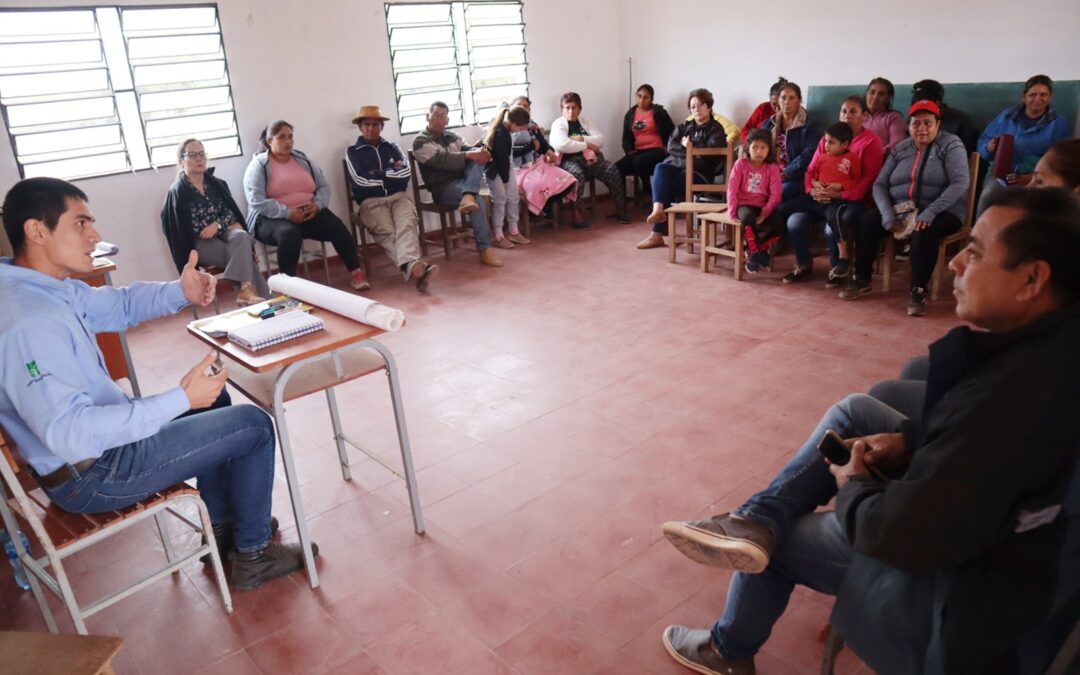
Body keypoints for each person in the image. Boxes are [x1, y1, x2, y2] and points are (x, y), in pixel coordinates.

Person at [659, 186, 1080, 675]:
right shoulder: (1049, 353)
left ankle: (728, 649)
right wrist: (910, 441)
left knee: (775, 549)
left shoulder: (1009, 401)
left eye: (978, 251)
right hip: (985, 526)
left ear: (1032, 278)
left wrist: (853, 486)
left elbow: (899, 534)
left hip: (959, 582)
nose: (958, 263)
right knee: (855, 411)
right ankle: (755, 519)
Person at [0, 177, 314, 592]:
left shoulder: (43, 287)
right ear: (36, 231)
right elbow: (69, 433)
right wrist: (177, 400)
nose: (94, 235)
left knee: (215, 397)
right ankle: (253, 554)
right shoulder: (29, 320)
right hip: (93, 475)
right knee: (254, 427)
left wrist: (179, 291)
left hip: (100, 452)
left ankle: (222, 532)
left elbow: (122, 304)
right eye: (80, 224)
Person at [839, 100, 969, 317]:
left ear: (938, 124)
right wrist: (887, 213)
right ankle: (862, 278)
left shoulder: (951, 144)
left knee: (923, 229)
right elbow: (880, 184)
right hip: (902, 209)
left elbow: (960, 183)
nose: (922, 129)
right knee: (869, 220)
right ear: (909, 126)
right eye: (916, 124)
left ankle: (918, 290)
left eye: (928, 123)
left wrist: (930, 212)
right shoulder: (901, 148)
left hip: (943, 211)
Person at [243, 120, 368, 290]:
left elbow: (323, 186)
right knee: (289, 233)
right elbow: (256, 201)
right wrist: (287, 213)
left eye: (290, 137)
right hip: (270, 219)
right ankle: (288, 286)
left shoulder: (302, 159)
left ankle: (356, 272)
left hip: (307, 212)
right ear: (269, 141)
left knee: (335, 225)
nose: (288, 142)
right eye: (282, 138)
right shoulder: (259, 165)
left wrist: (317, 205)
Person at [782, 97, 884, 285]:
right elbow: (811, 170)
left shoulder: (871, 142)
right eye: (843, 111)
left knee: (831, 229)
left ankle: (838, 270)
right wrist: (811, 189)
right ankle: (803, 265)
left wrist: (841, 194)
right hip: (821, 197)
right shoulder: (827, 139)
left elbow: (868, 179)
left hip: (853, 201)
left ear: (864, 116)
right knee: (794, 221)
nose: (847, 116)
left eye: (853, 111)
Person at [160, 139, 269, 306]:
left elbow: (231, 213)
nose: (199, 158)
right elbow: (188, 229)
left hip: (223, 233)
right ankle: (261, 298)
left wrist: (217, 225)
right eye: (193, 155)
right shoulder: (178, 192)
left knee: (241, 235)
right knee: (241, 252)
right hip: (199, 243)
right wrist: (225, 224)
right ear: (182, 161)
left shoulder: (216, 184)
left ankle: (247, 292)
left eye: (202, 154)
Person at [345, 105, 438, 292]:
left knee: (407, 223)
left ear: (382, 126)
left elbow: (405, 173)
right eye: (366, 125)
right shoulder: (352, 152)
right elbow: (360, 181)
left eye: (374, 124)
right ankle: (415, 267)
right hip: (371, 202)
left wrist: (377, 173)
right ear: (360, 128)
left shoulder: (393, 147)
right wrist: (389, 175)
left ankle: (412, 268)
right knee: (388, 233)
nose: (370, 129)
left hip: (399, 197)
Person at [411, 101, 503, 267]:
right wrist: (469, 155)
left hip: (464, 181)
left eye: (443, 116)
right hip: (443, 188)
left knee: (478, 158)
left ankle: (468, 195)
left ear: (447, 120)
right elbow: (442, 161)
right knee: (478, 201)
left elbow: (467, 151)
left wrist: (480, 153)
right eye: (436, 115)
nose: (439, 119)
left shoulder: (452, 136)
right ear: (427, 117)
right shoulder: (420, 141)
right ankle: (485, 249)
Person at [636, 88, 727, 250]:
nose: (696, 109)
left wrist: (689, 147)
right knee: (661, 168)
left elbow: (711, 154)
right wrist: (690, 152)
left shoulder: (716, 129)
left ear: (709, 106)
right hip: (678, 168)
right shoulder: (685, 126)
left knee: (666, 182)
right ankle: (658, 210)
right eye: (692, 107)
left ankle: (658, 232)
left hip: (700, 174)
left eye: (700, 105)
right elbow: (671, 146)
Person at [976, 75, 1071, 214]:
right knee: (989, 196)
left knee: (1031, 208)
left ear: (1050, 97)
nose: (1038, 99)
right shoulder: (1006, 116)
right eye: (1032, 94)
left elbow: (1058, 158)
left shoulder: (1057, 123)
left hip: (1036, 176)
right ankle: (981, 234)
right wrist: (989, 147)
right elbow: (982, 143)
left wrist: (1030, 177)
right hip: (1000, 174)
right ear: (1024, 97)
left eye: (1043, 94)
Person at [550, 92, 630, 227]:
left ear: (580, 109)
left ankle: (620, 208)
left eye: (574, 107)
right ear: (562, 110)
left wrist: (580, 138)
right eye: (567, 107)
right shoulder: (558, 124)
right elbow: (561, 145)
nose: (571, 111)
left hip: (590, 159)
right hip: (569, 160)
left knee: (612, 170)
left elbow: (600, 139)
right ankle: (577, 214)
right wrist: (588, 144)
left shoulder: (585, 121)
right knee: (577, 175)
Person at [510, 96, 581, 223]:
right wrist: (531, 147)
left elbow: (543, 145)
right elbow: (510, 153)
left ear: (529, 109)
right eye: (519, 106)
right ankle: (537, 210)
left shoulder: (533, 126)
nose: (522, 109)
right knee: (536, 184)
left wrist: (549, 151)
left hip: (538, 164)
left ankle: (543, 207)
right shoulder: (509, 128)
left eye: (525, 106)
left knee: (568, 180)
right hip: (518, 169)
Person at [726, 129, 782, 273]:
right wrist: (732, 212)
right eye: (755, 147)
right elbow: (732, 188)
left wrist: (764, 213)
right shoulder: (741, 164)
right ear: (748, 148)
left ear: (769, 149)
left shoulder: (772, 167)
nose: (759, 151)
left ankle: (758, 250)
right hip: (744, 205)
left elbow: (776, 195)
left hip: (763, 206)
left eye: (763, 147)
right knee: (748, 218)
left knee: (779, 220)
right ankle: (755, 254)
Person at [762, 81, 821, 203]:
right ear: (778, 100)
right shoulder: (769, 124)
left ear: (799, 101)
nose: (786, 101)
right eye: (783, 97)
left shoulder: (810, 125)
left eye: (792, 98)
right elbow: (759, 147)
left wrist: (785, 174)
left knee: (778, 193)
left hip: (798, 176)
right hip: (772, 174)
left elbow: (808, 155)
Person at [616, 84, 675, 202]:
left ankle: (647, 192)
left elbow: (672, 132)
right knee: (616, 168)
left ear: (651, 99)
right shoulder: (631, 114)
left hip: (657, 150)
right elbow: (626, 137)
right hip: (638, 151)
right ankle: (621, 204)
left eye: (646, 97)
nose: (642, 100)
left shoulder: (659, 112)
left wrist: (667, 147)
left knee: (639, 161)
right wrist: (629, 151)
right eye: (639, 96)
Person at [911, 79, 979, 153]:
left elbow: (966, 152)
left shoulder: (962, 121)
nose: (921, 127)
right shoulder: (913, 121)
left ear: (937, 103)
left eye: (925, 108)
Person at [864, 77, 906, 154]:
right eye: (872, 92)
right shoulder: (857, 116)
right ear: (867, 94)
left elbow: (897, 143)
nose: (875, 97)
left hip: (882, 161)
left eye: (881, 94)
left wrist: (875, 155)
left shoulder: (893, 117)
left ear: (887, 99)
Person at [740, 77, 788, 144]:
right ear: (770, 100)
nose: (777, 109)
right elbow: (745, 130)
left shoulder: (797, 113)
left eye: (780, 104)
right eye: (774, 104)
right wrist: (750, 143)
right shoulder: (763, 108)